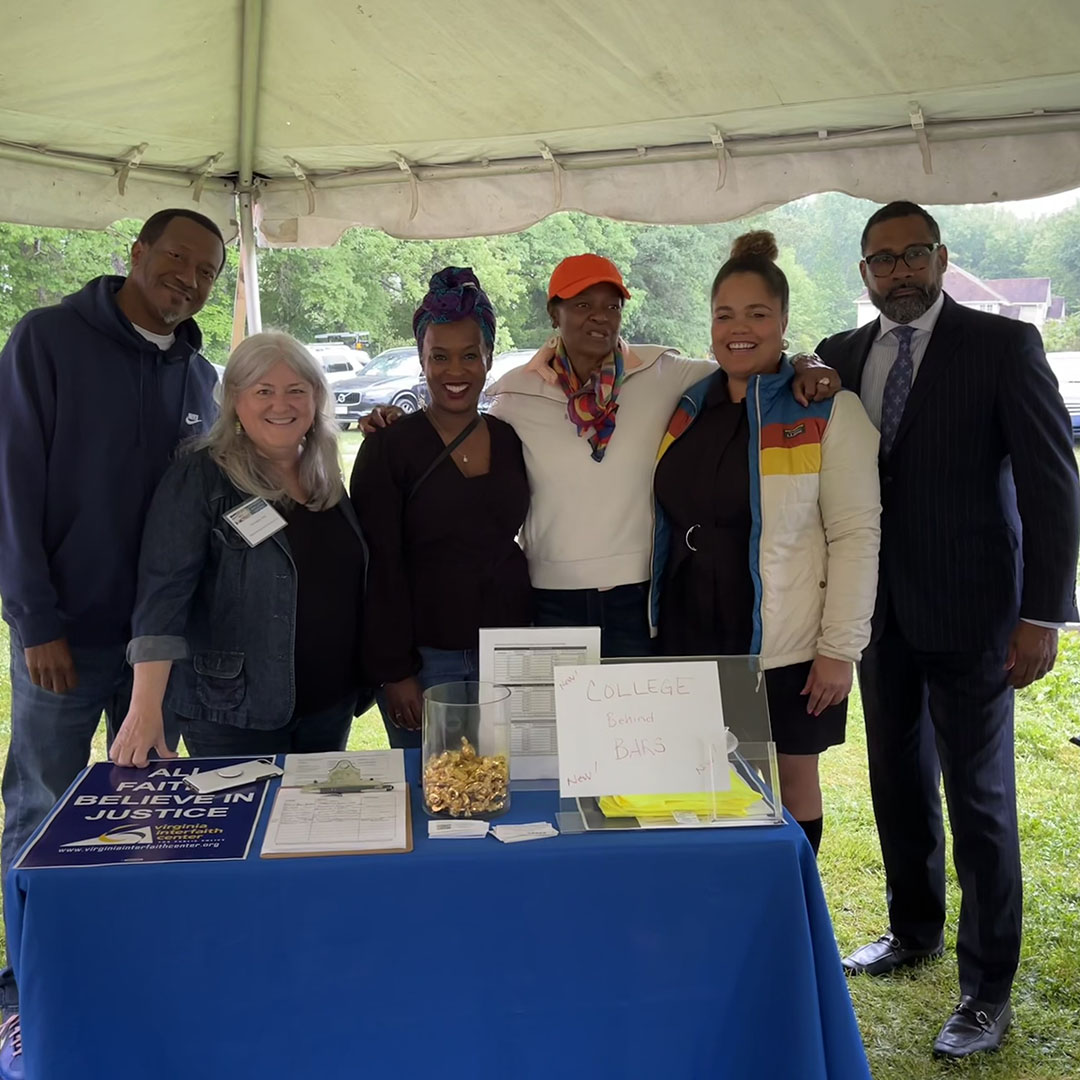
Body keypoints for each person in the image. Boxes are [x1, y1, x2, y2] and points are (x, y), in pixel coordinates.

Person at [817, 201, 1080, 1060]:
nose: (899, 272)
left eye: (913, 255)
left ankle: (985, 987)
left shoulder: (1002, 348)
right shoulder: (841, 358)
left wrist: (1043, 613)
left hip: (975, 615)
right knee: (895, 782)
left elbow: (1052, 485)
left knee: (981, 804)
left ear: (940, 257)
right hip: (879, 615)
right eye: (882, 260)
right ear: (864, 273)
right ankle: (912, 930)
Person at [0, 207, 226, 1071]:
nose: (190, 279)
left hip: (161, 657)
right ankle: (31, 990)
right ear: (136, 254)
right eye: (177, 259)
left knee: (149, 821)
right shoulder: (47, 340)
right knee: (43, 809)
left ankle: (129, 972)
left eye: (206, 271)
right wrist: (36, 621)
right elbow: (12, 486)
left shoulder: (200, 376)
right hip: (68, 642)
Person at [366, 253, 841, 659]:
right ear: (555, 312)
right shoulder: (514, 394)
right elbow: (453, 417)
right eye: (582, 305)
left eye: (610, 306)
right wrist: (390, 421)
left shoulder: (663, 372)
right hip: (550, 599)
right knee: (560, 738)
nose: (598, 316)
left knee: (634, 735)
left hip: (639, 598)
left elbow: (745, 359)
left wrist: (806, 361)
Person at [651, 232, 880, 854]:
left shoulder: (831, 412)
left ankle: (791, 909)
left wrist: (840, 650)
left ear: (783, 321)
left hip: (786, 640)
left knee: (792, 780)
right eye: (725, 315)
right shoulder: (688, 404)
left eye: (757, 314)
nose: (739, 329)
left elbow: (857, 537)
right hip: (688, 625)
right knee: (701, 777)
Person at [109, 332, 368, 763]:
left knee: (313, 828)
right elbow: (163, 596)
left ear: (316, 397)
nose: (280, 405)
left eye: (295, 391)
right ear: (234, 399)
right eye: (263, 391)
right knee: (246, 831)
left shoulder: (324, 475)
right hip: (234, 715)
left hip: (329, 707)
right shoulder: (200, 478)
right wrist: (144, 706)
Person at [350, 267, 532, 747]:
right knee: (437, 791)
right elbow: (378, 564)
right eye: (440, 357)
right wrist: (395, 671)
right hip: (426, 658)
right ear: (422, 360)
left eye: (470, 355)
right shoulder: (389, 447)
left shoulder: (509, 439)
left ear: (488, 358)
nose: (456, 372)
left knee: (502, 781)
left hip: (507, 650)